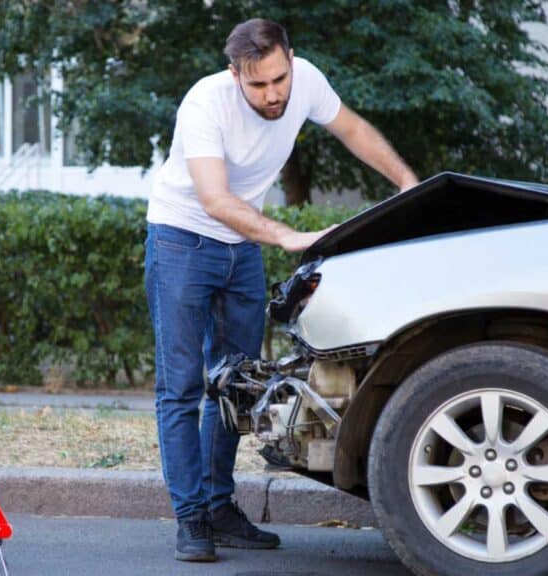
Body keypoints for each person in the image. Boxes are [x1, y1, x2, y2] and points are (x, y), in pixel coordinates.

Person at [144, 17, 418, 562]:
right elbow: (216, 200)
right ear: (234, 74)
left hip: (240, 248)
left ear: (291, 60)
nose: (272, 95)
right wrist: (287, 236)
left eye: (279, 80)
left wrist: (409, 185)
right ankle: (192, 518)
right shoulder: (204, 104)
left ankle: (221, 507)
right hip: (182, 241)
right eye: (258, 85)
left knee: (236, 383)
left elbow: (355, 130)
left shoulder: (307, 81)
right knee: (181, 386)